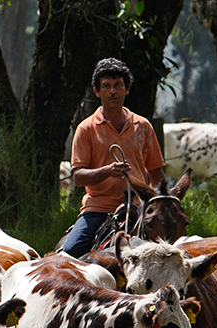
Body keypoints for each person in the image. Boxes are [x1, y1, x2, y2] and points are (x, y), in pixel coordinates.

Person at [61, 58, 166, 258]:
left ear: (127, 89)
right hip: (99, 208)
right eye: (106, 86)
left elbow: (156, 173)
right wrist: (107, 171)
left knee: (173, 249)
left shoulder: (142, 126)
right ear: (96, 92)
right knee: (70, 252)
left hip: (139, 208)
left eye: (118, 85)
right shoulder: (86, 128)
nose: (113, 91)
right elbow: (78, 176)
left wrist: (162, 204)